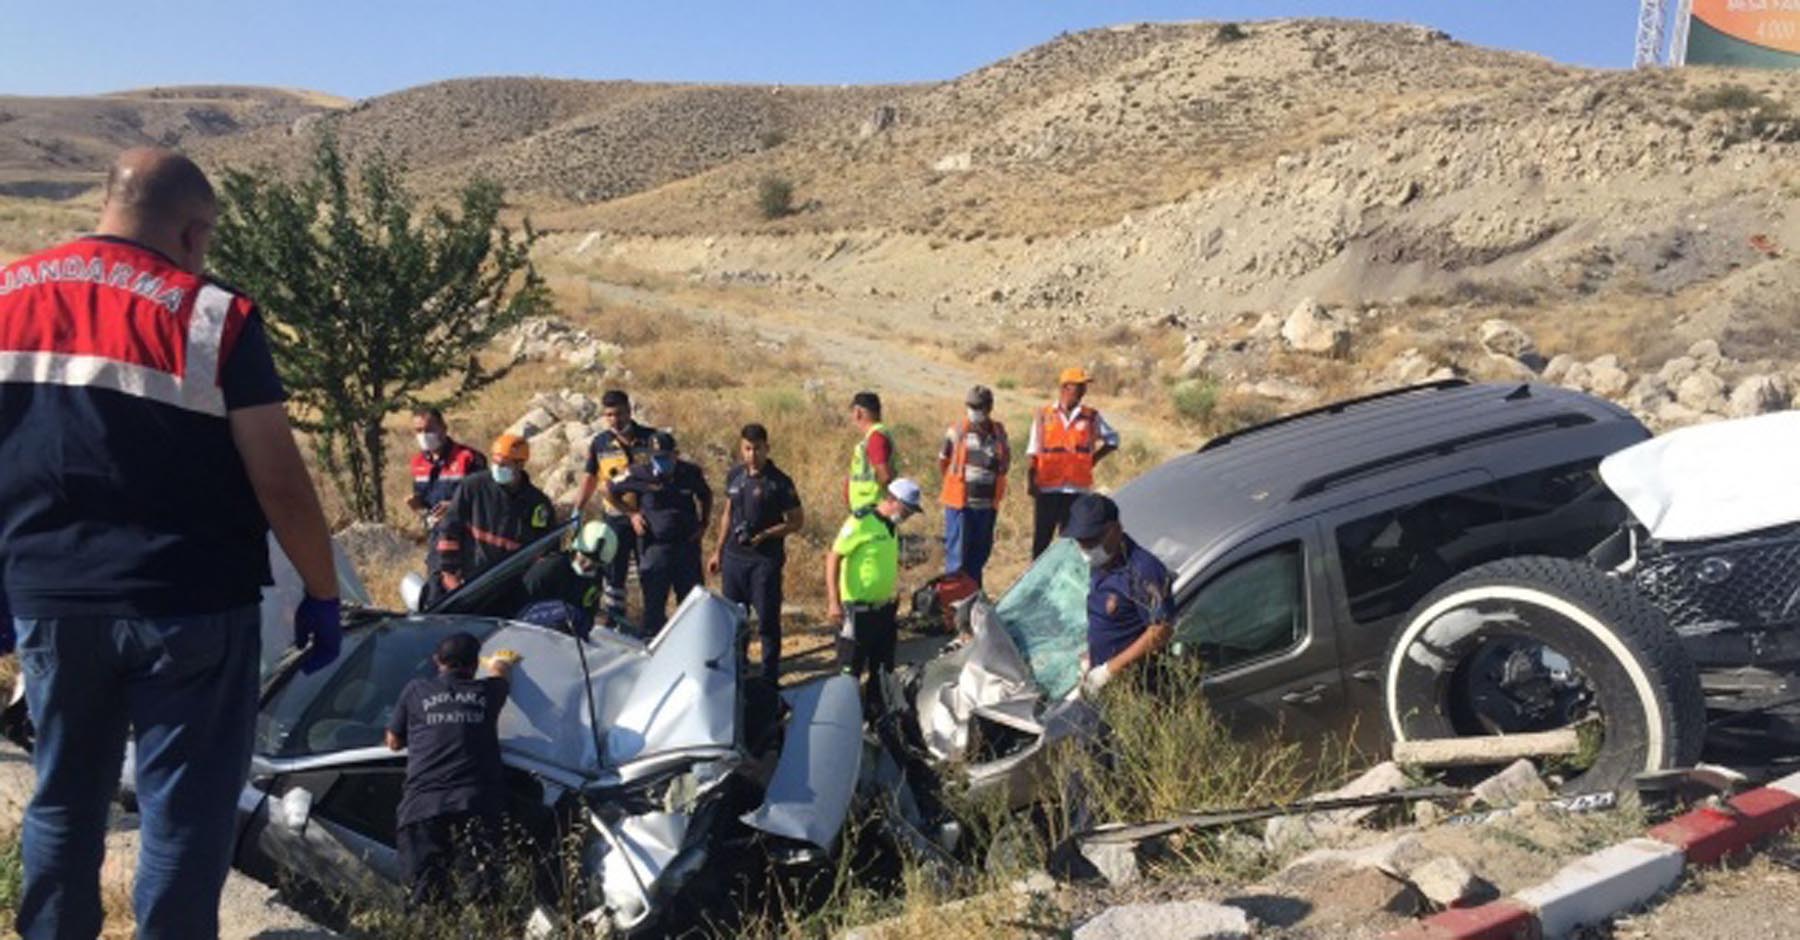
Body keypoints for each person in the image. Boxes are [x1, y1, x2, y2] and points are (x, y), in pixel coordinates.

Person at [0, 148, 340, 939]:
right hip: (190, 604)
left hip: (53, 599)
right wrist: (323, 595)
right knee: (182, 814)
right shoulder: (213, 315)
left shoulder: (9, 294)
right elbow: (280, 480)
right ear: (191, 232)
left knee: (64, 794)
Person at [384, 632, 516, 910]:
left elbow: (393, 743)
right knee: (483, 901)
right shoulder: (487, 693)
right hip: (476, 806)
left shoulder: (416, 690)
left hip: (423, 809)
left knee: (423, 902)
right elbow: (501, 674)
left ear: (437, 661)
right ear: (473, 665)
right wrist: (501, 661)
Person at [710, 424, 805, 683]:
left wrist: (766, 535)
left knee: (766, 620)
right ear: (741, 449)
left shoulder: (780, 482)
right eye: (747, 449)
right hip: (733, 559)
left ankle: (769, 675)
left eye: (757, 449)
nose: (752, 455)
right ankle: (737, 668)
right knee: (734, 620)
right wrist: (717, 551)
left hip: (764, 561)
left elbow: (797, 521)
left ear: (767, 448)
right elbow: (728, 514)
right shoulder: (734, 476)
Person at [826, 479, 923, 711]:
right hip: (857, 612)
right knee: (849, 673)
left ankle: (876, 718)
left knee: (882, 672)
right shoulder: (861, 522)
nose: (908, 516)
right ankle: (844, 720)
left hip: (884, 610)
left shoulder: (891, 527)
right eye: (906, 509)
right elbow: (833, 556)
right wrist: (833, 601)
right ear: (891, 500)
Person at [1064, 494, 1172, 696]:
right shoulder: (1102, 563)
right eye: (1081, 542)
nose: (1085, 550)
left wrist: (1110, 670)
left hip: (1137, 689)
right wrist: (1091, 658)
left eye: (1091, 541)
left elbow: (1160, 630)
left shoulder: (1142, 571)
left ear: (1114, 530)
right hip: (1105, 685)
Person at [608, 431, 711, 636]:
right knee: (654, 608)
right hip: (655, 548)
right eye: (656, 457)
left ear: (675, 454)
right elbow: (609, 489)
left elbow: (706, 495)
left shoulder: (690, 473)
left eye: (665, 457)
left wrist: (704, 523)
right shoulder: (638, 473)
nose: (661, 461)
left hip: (686, 547)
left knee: (692, 605)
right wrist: (632, 514)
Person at [434, 433, 555, 602]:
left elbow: (546, 550)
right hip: (469, 583)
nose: (498, 468)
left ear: (520, 464)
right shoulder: (473, 487)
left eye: (504, 464)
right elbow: (449, 529)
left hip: (510, 590)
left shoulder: (537, 504)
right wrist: (449, 573)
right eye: (495, 462)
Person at [574, 390, 654, 627]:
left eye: (619, 413)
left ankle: (651, 624)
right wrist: (578, 509)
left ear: (629, 411)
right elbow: (590, 478)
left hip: (646, 519)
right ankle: (615, 624)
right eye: (609, 415)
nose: (615, 419)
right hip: (614, 520)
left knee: (648, 574)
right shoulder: (600, 443)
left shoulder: (650, 438)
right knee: (613, 576)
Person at [1027, 366, 1120, 558]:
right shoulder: (1044, 415)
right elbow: (1033, 451)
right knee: (1041, 542)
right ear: (1066, 387)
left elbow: (1113, 440)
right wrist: (1031, 482)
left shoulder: (1091, 416)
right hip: (1047, 488)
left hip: (1077, 491)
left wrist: (1094, 459)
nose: (1084, 390)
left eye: (1084, 386)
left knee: (1072, 542)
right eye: (1080, 386)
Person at [938, 385, 1011, 586]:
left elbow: (1005, 464)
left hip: (987, 506)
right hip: (961, 505)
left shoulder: (999, 433)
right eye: (970, 406)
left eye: (978, 406)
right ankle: (953, 601)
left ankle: (972, 596)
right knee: (957, 557)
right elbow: (944, 461)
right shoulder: (957, 431)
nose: (973, 411)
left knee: (979, 556)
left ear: (989, 407)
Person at [407, 408, 487, 589]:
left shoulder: (469, 458)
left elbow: (484, 499)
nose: (424, 435)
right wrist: (418, 506)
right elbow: (425, 506)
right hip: (437, 537)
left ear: (443, 428)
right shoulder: (418, 463)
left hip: (469, 538)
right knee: (436, 589)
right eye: (418, 431)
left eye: (429, 429)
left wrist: (454, 506)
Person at [516, 520, 619, 639]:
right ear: (576, 549)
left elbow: (588, 615)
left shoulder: (594, 580)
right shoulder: (550, 568)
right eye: (584, 558)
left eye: (595, 564)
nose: (587, 565)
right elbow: (520, 606)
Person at [846, 391, 896, 511]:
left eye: (852, 412)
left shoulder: (876, 438)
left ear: (858, 412)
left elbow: (885, 476)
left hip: (872, 509)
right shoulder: (874, 436)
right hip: (865, 508)